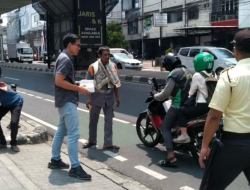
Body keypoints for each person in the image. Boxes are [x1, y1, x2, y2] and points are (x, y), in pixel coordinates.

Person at [199, 29, 250, 190]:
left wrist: (204, 146)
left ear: (235, 50)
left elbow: (214, 115)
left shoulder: (229, 76)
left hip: (234, 144)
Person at [48, 33, 92, 180]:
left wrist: (76, 84)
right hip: (67, 101)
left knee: (61, 131)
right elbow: (58, 81)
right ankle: (75, 167)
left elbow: (63, 80)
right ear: (69, 45)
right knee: (73, 135)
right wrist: (79, 89)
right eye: (77, 45)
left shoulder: (63, 57)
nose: (79, 48)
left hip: (64, 100)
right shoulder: (66, 59)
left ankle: (55, 159)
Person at [154, 53, 192, 167]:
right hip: (189, 104)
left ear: (169, 64)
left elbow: (166, 93)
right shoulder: (186, 71)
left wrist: (155, 95)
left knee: (164, 127)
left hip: (177, 105)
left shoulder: (174, 74)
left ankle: (171, 156)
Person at [83, 46, 121, 150]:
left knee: (109, 121)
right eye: (105, 55)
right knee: (93, 120)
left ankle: (108, 143)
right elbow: (88, 84)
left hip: (109, 97)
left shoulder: (113, 66)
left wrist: (117, 97)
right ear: (99, 56)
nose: (107, 57)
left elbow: (115, 83)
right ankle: (91, 141)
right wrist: (88, 98)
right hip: (95, 97)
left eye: (108, 55)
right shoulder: (93, 67)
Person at [173, 52, 214, 143]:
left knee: (181, 111)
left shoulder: (197, 75)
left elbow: (191, 92)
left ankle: (184, 135)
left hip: (201, 106)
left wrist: (187, 98)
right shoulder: (215, 74)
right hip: (212, 105)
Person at [0, 81, 23, 152]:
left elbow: (3, 84)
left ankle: (14, 144)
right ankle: (2, 142)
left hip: (16, 102)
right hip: (5, 104)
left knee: (14, 122)